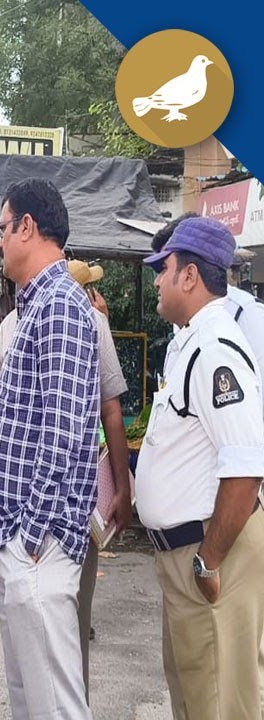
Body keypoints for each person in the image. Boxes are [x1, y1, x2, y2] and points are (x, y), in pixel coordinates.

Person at [0, 178, 99, 720]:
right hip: (22, 536)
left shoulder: (61, 306)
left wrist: (33, 533)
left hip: (37, 542)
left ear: (27, 226)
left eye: (2, 228)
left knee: (55, 705)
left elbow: (63, 432)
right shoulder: (38, 304)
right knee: (29, 697)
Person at [0, 257, 132, 703]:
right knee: (42, 644)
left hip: (49, 509)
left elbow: (108, 409)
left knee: (53, 632)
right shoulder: (18, 326)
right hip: (34, 511)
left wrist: (120, 487)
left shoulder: (84, 321)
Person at [134, 216, 264, 719]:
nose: (157, 281)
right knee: (194, 694)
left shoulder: (214, 350)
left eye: (162, 270)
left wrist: (208, 562)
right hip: (190, 550)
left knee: (218, 699)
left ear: (189, 276)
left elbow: (246, 468)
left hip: (212, 549)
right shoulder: (191, 342)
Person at [153, 211, 264, 366]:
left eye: (165, 267)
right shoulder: (187, 317)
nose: (158, 281)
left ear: (190, 274)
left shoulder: (248, 314)